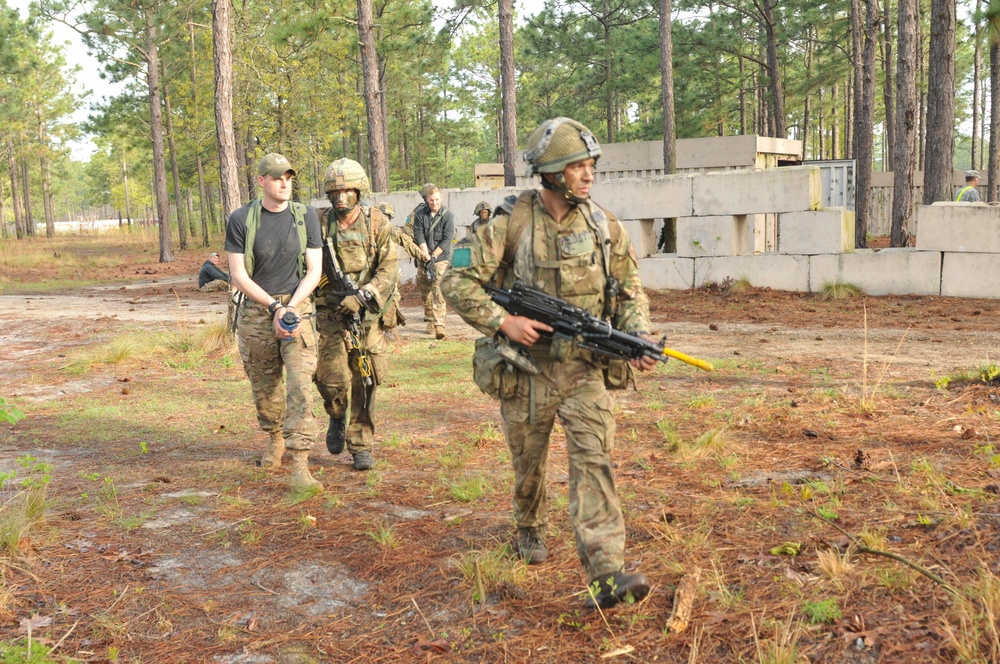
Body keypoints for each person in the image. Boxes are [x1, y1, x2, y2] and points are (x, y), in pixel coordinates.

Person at [441, 117, 656, 610]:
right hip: (527, 370)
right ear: (552, 173)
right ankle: (529, 528)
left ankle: (606, 575)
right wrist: (503, 322)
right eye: (577, 166)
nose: (588, 175)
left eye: (590, 165)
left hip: (584, 371)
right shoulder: (509, 224)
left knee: (594, 464)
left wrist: (637, 332)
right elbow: (455, 282)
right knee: (528, 466)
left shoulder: (605, 227)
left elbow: (629, 290)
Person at [225, 153, 324, 492]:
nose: (285, 183)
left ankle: (300, 461)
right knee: (265, 388)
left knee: (300, 385)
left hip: (297, 309)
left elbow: (315, 269)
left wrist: (290, 308)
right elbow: (238, 275)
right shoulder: (241, 219)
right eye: (278, 177)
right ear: (262, 181)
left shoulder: (305, 215)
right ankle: (275, 437)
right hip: (257, 312)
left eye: (289, 177)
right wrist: (273, 308)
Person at [314, 159, 398, 471]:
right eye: (335, 190)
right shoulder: (319, 224)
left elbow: (389, 270)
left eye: (347, 189)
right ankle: (337, 415)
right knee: (330, 379)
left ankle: (361, 443)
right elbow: (308, 267)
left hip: (368, 316)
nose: (341, 196)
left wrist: (362, 296)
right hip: (330, 315)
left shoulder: (378, 224)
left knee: (369, 378)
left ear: (359, 191)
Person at [412, 185, 455, 339]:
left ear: (441, 198)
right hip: (424, 257)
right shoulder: (420, 214)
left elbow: (446, 241)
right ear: (427, 200)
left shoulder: (448, 216)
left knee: (438, 290)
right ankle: (430, 318)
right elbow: (418, 234)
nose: (434, 203)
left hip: (441, 259)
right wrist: (425, 254)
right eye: (431, 200)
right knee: (424, 288)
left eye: (437, 200)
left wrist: (434, 256)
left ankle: (439, 325)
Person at [376, 202, 421, 332]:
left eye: (386, 216)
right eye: (381, 216)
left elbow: (408, 243)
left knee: (393, 297)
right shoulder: (369, 232)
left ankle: (390, 328)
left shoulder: (393, 230)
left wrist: (423, 255)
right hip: (373, 272)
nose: (383, 219)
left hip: (390, 270)